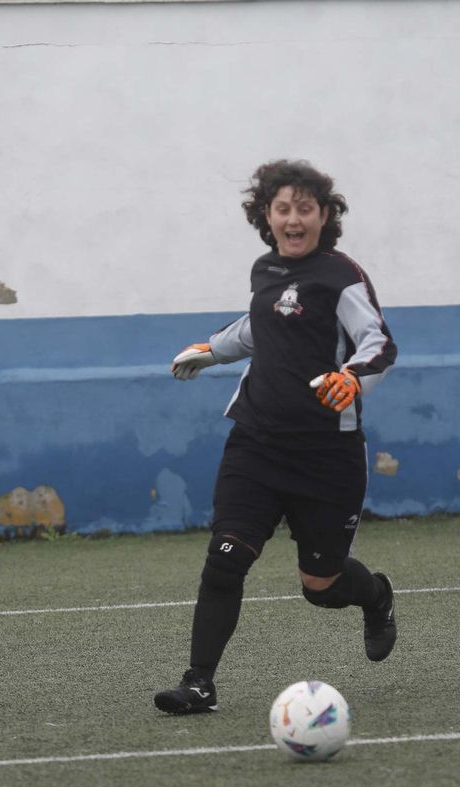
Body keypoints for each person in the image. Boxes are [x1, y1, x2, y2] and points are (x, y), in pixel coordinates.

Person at [153, 160, 399, 715]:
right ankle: (198, 683)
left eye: (304, 209)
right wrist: (211, 350)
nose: (293, 219)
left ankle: (376, 595)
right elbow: (257, 325)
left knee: (321, 584)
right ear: (266, 215)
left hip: (327, 457)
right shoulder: (264, 270)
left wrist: (351, 379)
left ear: (324, 215)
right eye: (282, 208)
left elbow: (379, 344)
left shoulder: (343, 277)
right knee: (225, 559)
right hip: (257, 443)